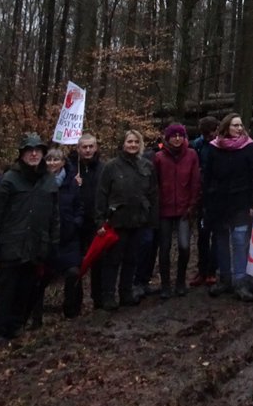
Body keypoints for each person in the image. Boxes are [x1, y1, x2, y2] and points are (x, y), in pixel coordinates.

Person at [0, 134, 59, 343]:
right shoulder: (9, 180)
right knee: (5, 291)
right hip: (11, 245)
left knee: (26, 289)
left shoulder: (48, 181)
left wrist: (53, 242)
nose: (34, 154)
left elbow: (54, 216)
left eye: (38, 150)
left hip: (36, 246)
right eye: (29, 150)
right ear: (22, 154)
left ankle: (15, 326)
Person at [96, 130, 159, 310]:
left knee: (132, 259)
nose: (132, 145)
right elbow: (101, 195)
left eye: (136, 142)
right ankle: (108, 295)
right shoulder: (111, 167)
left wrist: (152, 220)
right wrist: (100, 221)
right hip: (117, 221)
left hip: (139, 220)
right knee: (113, 260)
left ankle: (126, 293)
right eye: (129, 142)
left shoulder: (147, 166)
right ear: (123, 144)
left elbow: (153, 194)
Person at [204, 114, 253, 301]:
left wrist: (252, 203)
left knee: (239, 239)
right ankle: (224, 278)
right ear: (227, 127)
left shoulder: (249, 147)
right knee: (221, 240)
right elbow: (207, 176)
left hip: (241, 201)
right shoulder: (214, 148)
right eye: (235, 125)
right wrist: (208, 200)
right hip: (219, 201)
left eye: (241, 125)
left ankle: (241, 281)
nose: (239, 128)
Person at [25, 146, 82, 327]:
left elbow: (79, 206)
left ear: (63, 162)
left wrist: (75, 223)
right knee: (37, 280)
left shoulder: (73, 182)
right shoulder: (39, 182)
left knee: (73, 273)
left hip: (68, 239)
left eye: (56, 160)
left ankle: (71, 312)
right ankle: (35, 319)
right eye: (49, 160)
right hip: (44, 239)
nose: (52, 163)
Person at [153, 123, 200, 299]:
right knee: (164, 248)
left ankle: (181, 281)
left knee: (184, 246)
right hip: (164, 209)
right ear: (168, 137)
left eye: (181, 135)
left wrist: (192, 205)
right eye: (174, 135)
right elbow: (155, 183)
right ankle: (165, 284)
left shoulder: (191, 155)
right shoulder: (158, 157)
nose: (177, 138)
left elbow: (195, 181)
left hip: (184, 209)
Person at [67, 133, 103, 313]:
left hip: (97, 223)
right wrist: (72, 183)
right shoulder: (70, 168)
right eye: (84, 147)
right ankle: (74, 304)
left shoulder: (103, 168)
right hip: (76, 223)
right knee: (75, 265)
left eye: (91, 146)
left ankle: (99, 300)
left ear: (96, 148)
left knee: (99, 263)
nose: (88, 150)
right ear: (78, 148)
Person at [190, 117, 220, 287]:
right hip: (202, 195)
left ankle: (212, 270)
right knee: (202, 235)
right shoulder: (197, 145)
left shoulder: (221, 145)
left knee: (216, 235)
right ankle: (201, 269)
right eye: (207, 133)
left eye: (213, 132)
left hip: (218, 196)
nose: (211, 136)